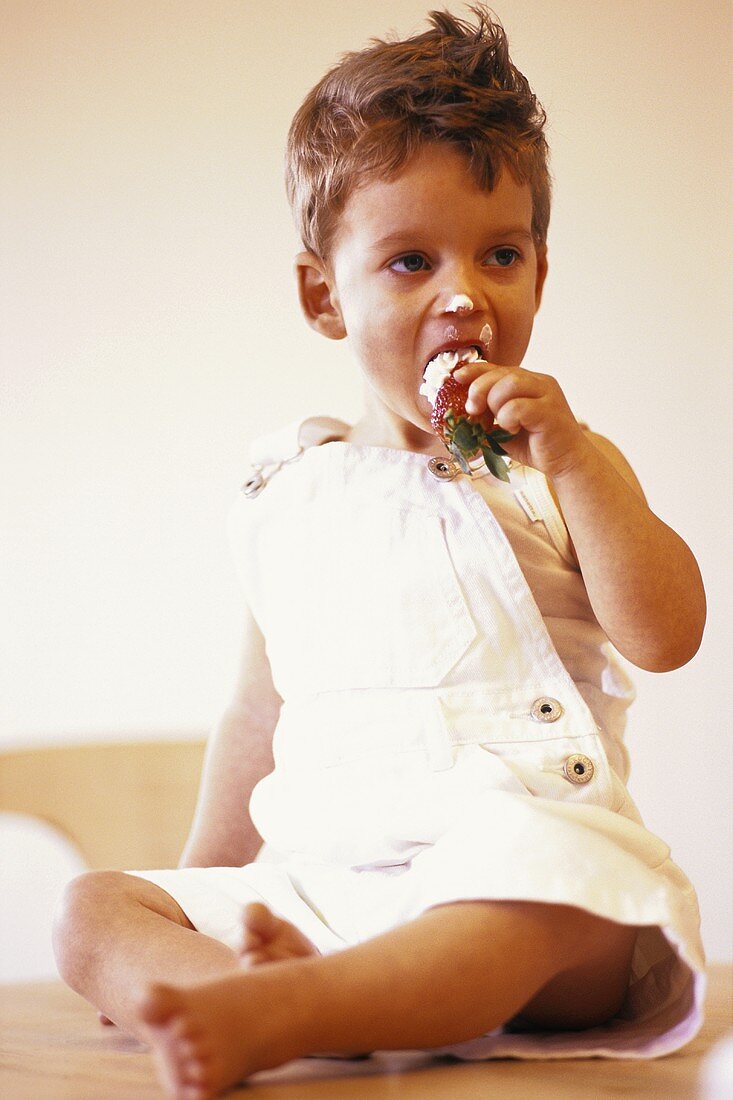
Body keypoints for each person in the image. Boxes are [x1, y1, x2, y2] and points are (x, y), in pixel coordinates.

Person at [52, 6, 708, 1098]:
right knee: (93, 909)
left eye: (498, 254)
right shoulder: (285, 494)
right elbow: (256, 716)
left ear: (538, 273)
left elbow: (668, 632)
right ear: (325, 295)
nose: (464, 295)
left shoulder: (558, 465)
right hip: (333, 886)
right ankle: (245, 985)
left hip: (523, 868)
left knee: (551, 890)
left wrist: (582, 462)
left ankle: (297, 1007)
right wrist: (204, 885)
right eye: (411, 260)